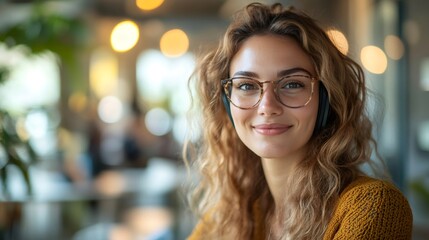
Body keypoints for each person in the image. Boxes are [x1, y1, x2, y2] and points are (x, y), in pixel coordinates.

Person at [183, 2, 413, 240]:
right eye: (246, 86)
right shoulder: (232, 214)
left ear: (326, 98)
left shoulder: (374, 207)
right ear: (227, 103)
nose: (267, 107)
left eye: (292, 84)